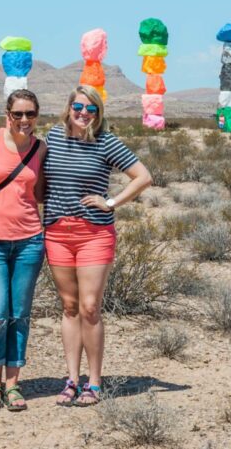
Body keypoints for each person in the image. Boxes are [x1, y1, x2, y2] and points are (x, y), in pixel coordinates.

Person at [43, 86, 152, 407]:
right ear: (68, 107)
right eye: (78, 106)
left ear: (98, 113)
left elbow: (142, 176)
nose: (84, 113)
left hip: (94, 234)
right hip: (57, 233)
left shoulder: (105, 141)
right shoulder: (51, 138)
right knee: (69, 307)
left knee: (90, 307)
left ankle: (94, 382)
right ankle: (71, 380)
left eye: (91, 109)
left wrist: (111, 201)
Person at [0, 89, 46, 411]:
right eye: (18, 114)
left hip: (30, 240)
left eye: (30, 114)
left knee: (19, 315)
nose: (25, 120)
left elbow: (41, 192)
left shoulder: (41, 148)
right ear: (7, 114)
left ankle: (13, 384)